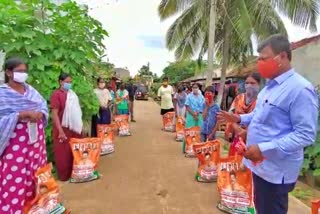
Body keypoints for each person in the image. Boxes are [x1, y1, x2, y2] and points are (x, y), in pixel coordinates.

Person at [217, 34, 318, 214]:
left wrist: (263, 148)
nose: (259, 63)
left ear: (283, 57)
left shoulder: (300, 90)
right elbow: (259, 115)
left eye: (264, 59)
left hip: (275, 170)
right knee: (261, 207)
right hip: (259, 165)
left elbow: (305, 134)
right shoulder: (269, 88)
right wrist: (239, 119)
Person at [0, 57, 48, 213]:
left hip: (35, 145)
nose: (23, 74)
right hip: (15, 146)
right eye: (19, 71)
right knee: (15, 177)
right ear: (8, 72)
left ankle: (36, 206)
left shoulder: (31, 91)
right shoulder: (3, 94)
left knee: (36, 175)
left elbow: (43, 106)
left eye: (25, 71)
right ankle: (15, 209)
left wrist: (40, 114)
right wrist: (20, 115)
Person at [50, 73, 83, 181]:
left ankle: (75, 174)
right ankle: (64, 176)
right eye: (67, 82)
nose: (69, 84)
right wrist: (60, 131)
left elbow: (77, 113)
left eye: (70, 82)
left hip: (73, 129)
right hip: (62, 129)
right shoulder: (56, 94)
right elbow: (54, 114)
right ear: (60, 82)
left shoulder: (72, 95)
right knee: (63, 155)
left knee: (73, 152)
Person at [225, 72, 261, 143]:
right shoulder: (239, 98)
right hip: (234, 133)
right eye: (247, 83)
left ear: (258, 85)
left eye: (252, 83)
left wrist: (245, 132)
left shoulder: (261, 101)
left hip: (250, 138)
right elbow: (230, 114)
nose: (249, 85)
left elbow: (258, 121)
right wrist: (237, 128)